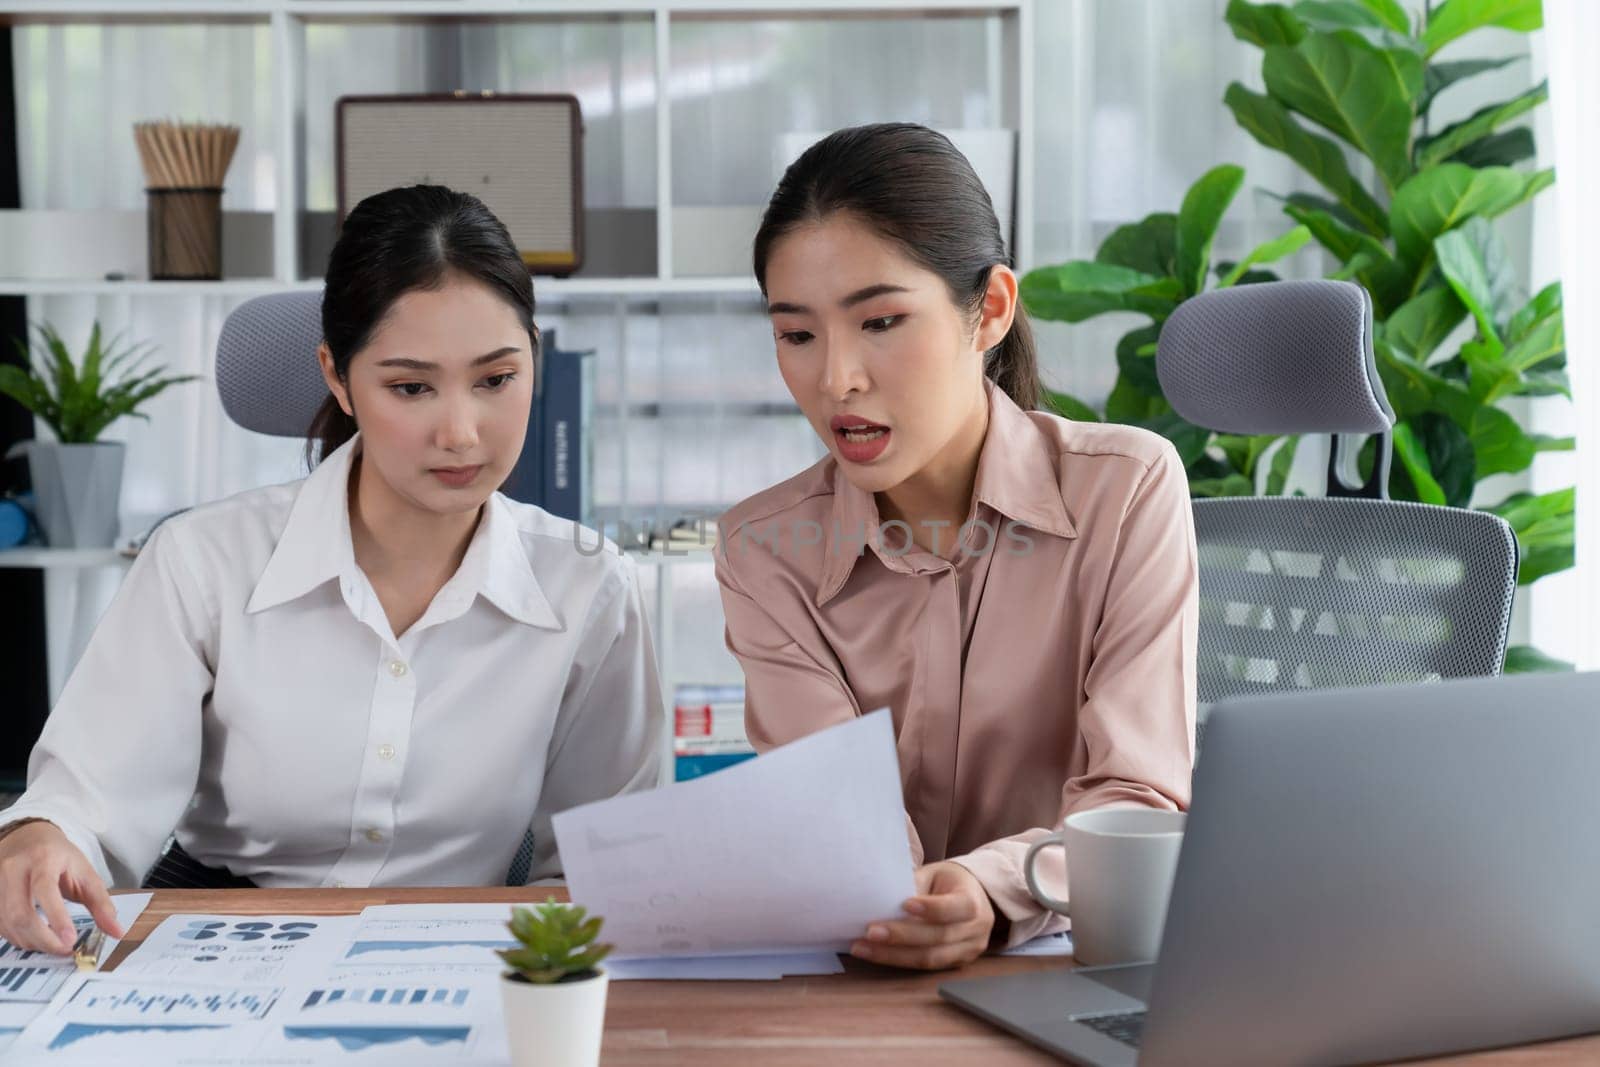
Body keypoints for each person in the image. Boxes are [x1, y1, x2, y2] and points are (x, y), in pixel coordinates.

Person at [0, 185, 662, 954]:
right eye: (410, 387)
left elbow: (600, 866)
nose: (461, 431)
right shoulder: (201, 562)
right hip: (211, 950)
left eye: (496, 379)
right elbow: (81, 799)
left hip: (460, 959)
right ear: (338, 377)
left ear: (534, 361)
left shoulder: (590, 588)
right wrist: (37, 838)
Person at [716, 124, 1196, 970]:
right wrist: (913, 906)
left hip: (1081, 966)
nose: (837, 379)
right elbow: (841, 830)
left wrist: (991, 890)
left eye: (882, 321)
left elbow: (1137, 798)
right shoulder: (764, 552)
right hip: (868, 983)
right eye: (797, 334)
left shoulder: (1125, 491)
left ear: (992, 311)